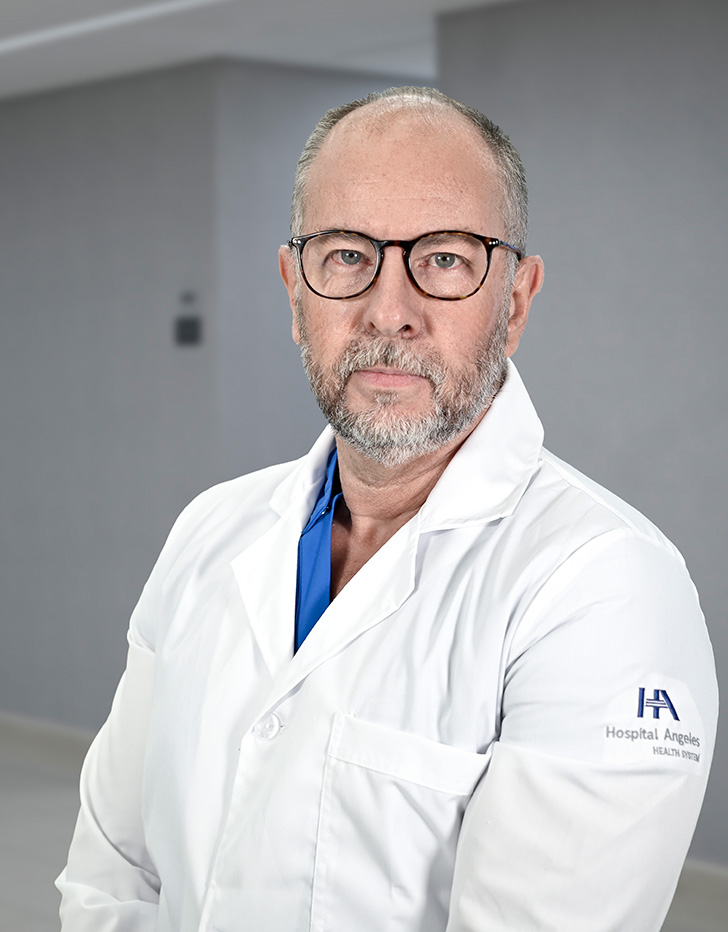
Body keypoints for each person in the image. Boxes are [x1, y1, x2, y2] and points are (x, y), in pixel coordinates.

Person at [57, 86, 717, 932]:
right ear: (296, 293)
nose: (389, 312)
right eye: (345, 254)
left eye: (444, 258)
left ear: (514, 302)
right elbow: (110, 872)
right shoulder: (208, 533)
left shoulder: (605, 588)